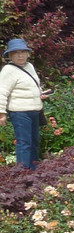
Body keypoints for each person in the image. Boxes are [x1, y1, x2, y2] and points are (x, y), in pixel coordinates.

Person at [0, 38, 52, 169]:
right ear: (10, 55)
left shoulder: (29, 67)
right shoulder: (8, 70)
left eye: (23, 52)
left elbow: (33, 85)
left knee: (34, 141)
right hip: (20, 112)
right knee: (24, 143)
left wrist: (40, 93)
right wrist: (2, 113)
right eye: (16, 52)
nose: (21, 55)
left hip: (35, 110)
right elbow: (2, 92)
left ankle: (34, 170)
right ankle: (22, 173)